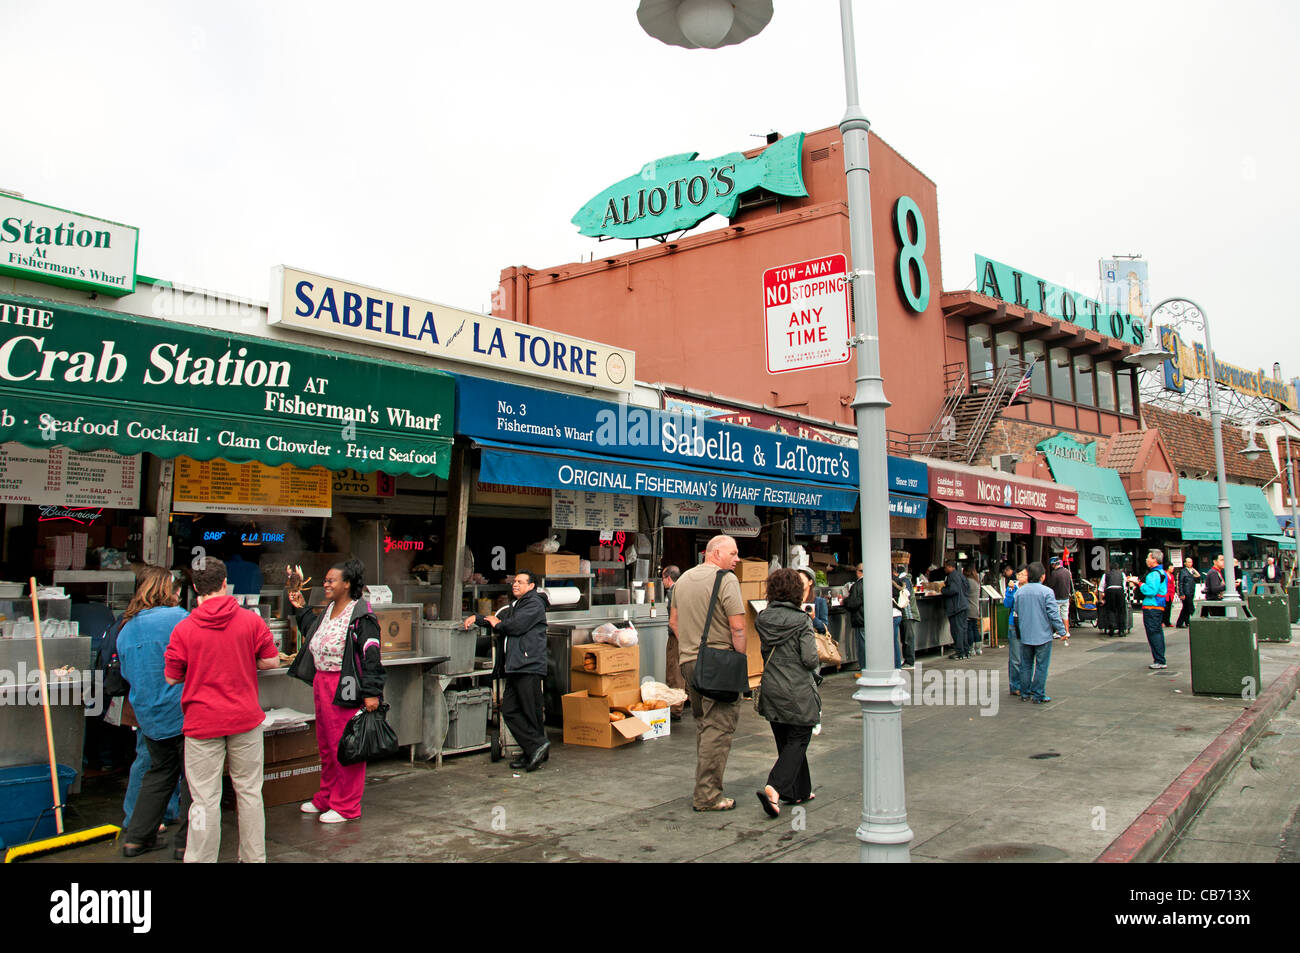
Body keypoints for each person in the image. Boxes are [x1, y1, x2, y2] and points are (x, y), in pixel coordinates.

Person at [164, 557, 279, 863]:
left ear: (195, 589)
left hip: (202, 723)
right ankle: (254, 859)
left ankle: (201, 859)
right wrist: (242, 659)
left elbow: (172, 676)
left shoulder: (184, 629)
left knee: (203, 800)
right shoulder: (251, 621)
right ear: (225, 584)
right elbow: (271, 661)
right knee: (250, 794)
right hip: (244, 719)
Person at [287, 559, 386, 822]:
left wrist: (372, 692)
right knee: (326, 745)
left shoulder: (362, 616)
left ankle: (347, 806)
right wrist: (300, 608)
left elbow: (371, 656)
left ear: (347, 584)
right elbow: (314, 633)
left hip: (345, 685)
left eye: (332, 580)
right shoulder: (329, 609)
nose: (326, 584)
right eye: (326, 579)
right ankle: (327, 797)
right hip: (322, 683)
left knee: (346, 746)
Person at [117, 567, 190, 859]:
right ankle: (186, 843)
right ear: (168, 590)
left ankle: (136, 838)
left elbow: (126, 672)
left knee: (158, 774)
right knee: (194, 780)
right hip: (183, 711)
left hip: (149, 716)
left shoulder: (127, 627)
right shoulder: (180, 619)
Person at [670, 535, 746, 812]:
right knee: (719, 727)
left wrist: (691, 647)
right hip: (719, 661)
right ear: (715, 553)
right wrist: (739, 661)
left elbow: (674, 622)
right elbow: (738, 627)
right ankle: (708, 796)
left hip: (690, 662)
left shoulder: (684, 579)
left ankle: (706, 786)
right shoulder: (726, 579)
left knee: (705, 723)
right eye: (733, 553)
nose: (737, 559)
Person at [464, 570, 551, 772]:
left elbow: (514, 626)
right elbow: (498, 619)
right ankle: (534, 749)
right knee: (512, 709)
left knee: (529, 712)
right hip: (516, 665)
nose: (515, 584)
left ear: (531, 586)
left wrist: (499, 623)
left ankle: (535, 748)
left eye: (521, 582)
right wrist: (478, 618)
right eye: (514, 581)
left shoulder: (534, 604)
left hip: (528, 665)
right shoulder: (517, 605)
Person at [754, 568, 821, 817]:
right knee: (799, 738)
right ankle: (776, 787)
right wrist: (810, 626)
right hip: (797, 689)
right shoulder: (802, 620)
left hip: (772, 687)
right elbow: (809, 659)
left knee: (786, 741)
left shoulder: (762, 618)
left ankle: (798, 791)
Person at [1015, 562, 1066, 703]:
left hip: (1025, 634)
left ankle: (1025, 693)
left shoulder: (1020, 592)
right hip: (1043, 635)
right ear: (1042, 577)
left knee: (1025, 665)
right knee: (1041, 666)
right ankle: (1038, 694)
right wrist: (1062, 631)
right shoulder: (1047, 592)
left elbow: (1017, 611)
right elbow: (1053, 615)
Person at [1131, 549, 1168, 670]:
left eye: (1148, 557)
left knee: (1153, 633)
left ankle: (1159, 660)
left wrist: (1139, 583)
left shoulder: (1154, 574)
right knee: (1157, 632)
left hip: (1152, 607)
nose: (1146, 559)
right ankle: (1160, 658)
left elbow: (1151, 591)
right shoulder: (1161, 573)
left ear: (1154, 560)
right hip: (1158, 606)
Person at [661, 565, 684, 721]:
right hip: (688, 635)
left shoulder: (672, 592)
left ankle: (675, 708)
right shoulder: (685, 589)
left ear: (668, 578)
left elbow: (673, 621)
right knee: (684, 671)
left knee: (673, 671)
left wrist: (679, 638)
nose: (662, 582)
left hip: (677, 637)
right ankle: (685, 700)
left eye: (662, 578)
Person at [1003, 566, 1028, 696]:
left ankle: (1026, 684)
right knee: (1015, 658)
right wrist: (1010, 591)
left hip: (1028, 624)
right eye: (1019, 574)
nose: (1021, 577)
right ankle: (1015, 685)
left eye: (1024, 574)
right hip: (1014, 624)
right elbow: (1007, 604)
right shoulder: (1013, 587)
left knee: (1027, 657)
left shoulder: (1032, 587)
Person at [940, 559, 968, 660]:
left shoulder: (951, 576)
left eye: (946, 567)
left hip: (956, 607)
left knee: (957, 630)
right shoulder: (960, 575)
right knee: (963, 629)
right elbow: (966, 586)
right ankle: (965, 651)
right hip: (963, 604)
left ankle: (959, 652)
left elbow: (953, 590)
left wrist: (943, 590)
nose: (945, 569)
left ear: (950, 567)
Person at [842, 563, 865, 674]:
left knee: (862, 646)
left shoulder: (858, 585)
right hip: (870, 620)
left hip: (860, 619)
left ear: (858, 571)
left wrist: (844, 601)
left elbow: (853, 603)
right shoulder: (873, 583)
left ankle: (864, 669)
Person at [1047, 556, 1073, 646]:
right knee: (1065, 615)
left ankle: (1058, 632)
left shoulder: (1054, 573)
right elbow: (1070, 583)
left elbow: (1051, 585)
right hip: (1066, 597)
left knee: (1056, 616)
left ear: (1054, 564)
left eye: (1052, 564)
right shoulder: (1067, 572)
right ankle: (1067, 631)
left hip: (1057, 598)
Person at [894, 564, 917, 669]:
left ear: (896, 572)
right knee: (906, 638)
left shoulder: (904, 581)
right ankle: (908, 660)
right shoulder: (906, 579)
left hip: (908, 614)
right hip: (906, 614)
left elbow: (904, 596)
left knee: (908, 638)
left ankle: (910, 661)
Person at [1099, 562, 1128, 636]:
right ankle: (1121, 630)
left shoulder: (1105, 575)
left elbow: (1101, 588)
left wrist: (1101, 599)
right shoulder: (1122, 574)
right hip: (1120, 591)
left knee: (1110, 610)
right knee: (1121, 610)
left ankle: (1111, 627)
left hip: (1110, 591)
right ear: (1118, 568)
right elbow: (1124, 587)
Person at [1175, 557, 1200, 628]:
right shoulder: (1183, 571)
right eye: (1188, 562)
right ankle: (1196, 619)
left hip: (1191, 591)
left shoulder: (1191, 571)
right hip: (1186, 592)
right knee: (1190, 607)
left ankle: (1184, 622)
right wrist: (1181, 593)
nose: (1190, 564)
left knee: (1186, 608)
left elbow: (1198, 575)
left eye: (1191, 562)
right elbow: (1180, 583)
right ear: (1185, 563)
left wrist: (1193, 569)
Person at [964, 566, 982, 656]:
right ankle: (978, 648)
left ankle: (971, 649)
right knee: (975, 628)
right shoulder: (976, 582)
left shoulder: (967, 581)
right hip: (975, 608)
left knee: (969, 628)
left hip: (968, 608)